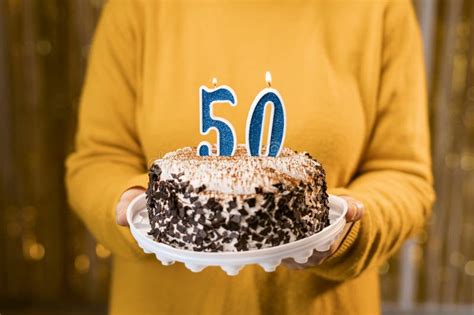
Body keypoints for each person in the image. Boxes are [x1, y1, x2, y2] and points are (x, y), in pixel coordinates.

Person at [66, 0, 434, 314]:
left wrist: (347, 229)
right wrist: (141, 208)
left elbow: (403, 173)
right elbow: (98, 159)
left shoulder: (379, 9)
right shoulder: (138, 7)